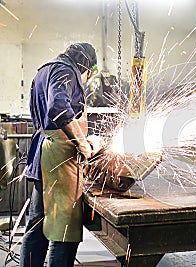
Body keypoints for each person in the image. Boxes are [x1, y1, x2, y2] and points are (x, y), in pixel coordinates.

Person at [20, 43, 98, 267]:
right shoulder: (66, 71)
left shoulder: (44, 71)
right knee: (65, 229)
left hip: (42, 156)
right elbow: (60, 109)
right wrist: (82, 144)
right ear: (88, 70)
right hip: (59, 160)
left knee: (38, 225)